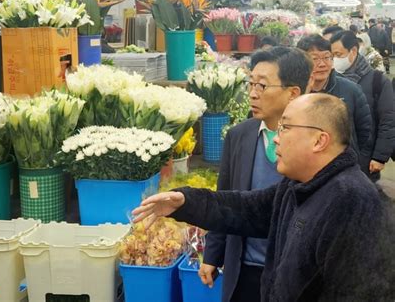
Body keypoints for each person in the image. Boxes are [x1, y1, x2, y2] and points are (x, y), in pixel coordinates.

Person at [133, 93, 395, 302]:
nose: (276, 140)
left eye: (286, 128)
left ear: (320, 140)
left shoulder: (353, 202)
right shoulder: (301, 184)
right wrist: (186, 202)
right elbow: (249, 209)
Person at [200, 47, 312, 302]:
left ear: (293, 93)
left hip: (292, 272)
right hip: (245, 269)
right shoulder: (240, 136)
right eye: (250, 83)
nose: (252, 93)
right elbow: (225, 199)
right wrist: (212, 255)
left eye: (262, 86)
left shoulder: (314, 142)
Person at [330, 30, 395, 182]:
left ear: (353, 51)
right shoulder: (332, 80)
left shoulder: (377, 81)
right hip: (335, 157)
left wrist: (380, 157)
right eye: (331, 55)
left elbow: (388, 120)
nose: (334, 60)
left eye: (339, 55)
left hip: (366, 159)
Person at [296, 35, 372, 160]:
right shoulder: (294, 92)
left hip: (342, 164)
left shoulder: (351, 89)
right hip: (304, 162)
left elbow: (364, 130)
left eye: (327, 57)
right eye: (314, 59)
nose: (322, 64)